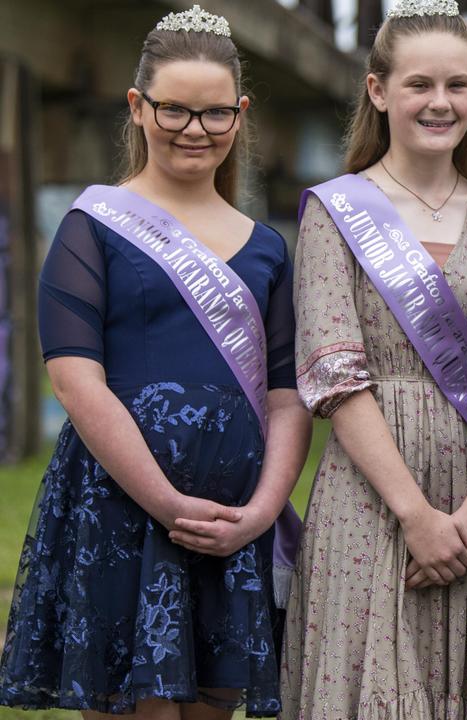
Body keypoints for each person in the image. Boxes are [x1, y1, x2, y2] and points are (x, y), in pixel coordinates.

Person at [0, 5, 311, 717]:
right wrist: (166, 501)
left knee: (211, 705)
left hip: (234, 521)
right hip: (120, 509)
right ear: (139, 108)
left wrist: (262, 511)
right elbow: (77, 382)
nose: (194, 130)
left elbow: (288, 397)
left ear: (240, 113)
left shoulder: (267, 248)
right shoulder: (93, 226)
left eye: (214, 114)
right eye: (175, 110)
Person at [279, 0, 467, 717]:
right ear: (379, 90)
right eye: (419, 84)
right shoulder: (334, 212)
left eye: (458, 84)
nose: (440, 102)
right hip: (372, 497)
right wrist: (417, 516)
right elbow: (334, 376)